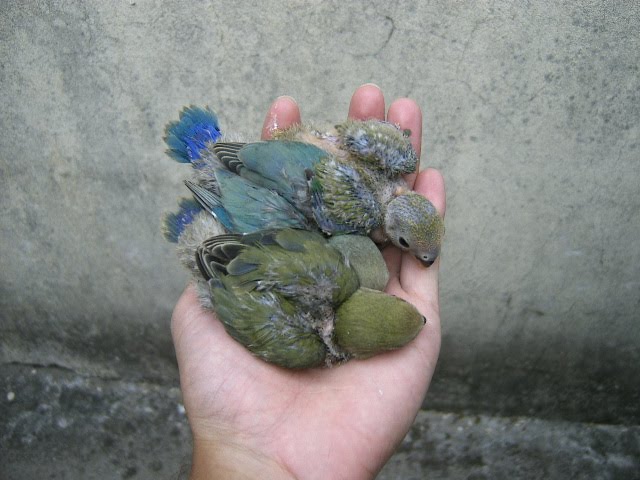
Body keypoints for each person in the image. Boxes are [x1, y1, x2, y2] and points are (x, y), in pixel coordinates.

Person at [171, 83, 446, 479]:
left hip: (243, 212)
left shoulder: (333, 248)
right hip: (243, 213)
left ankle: (214, 171)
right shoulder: (344, 227)